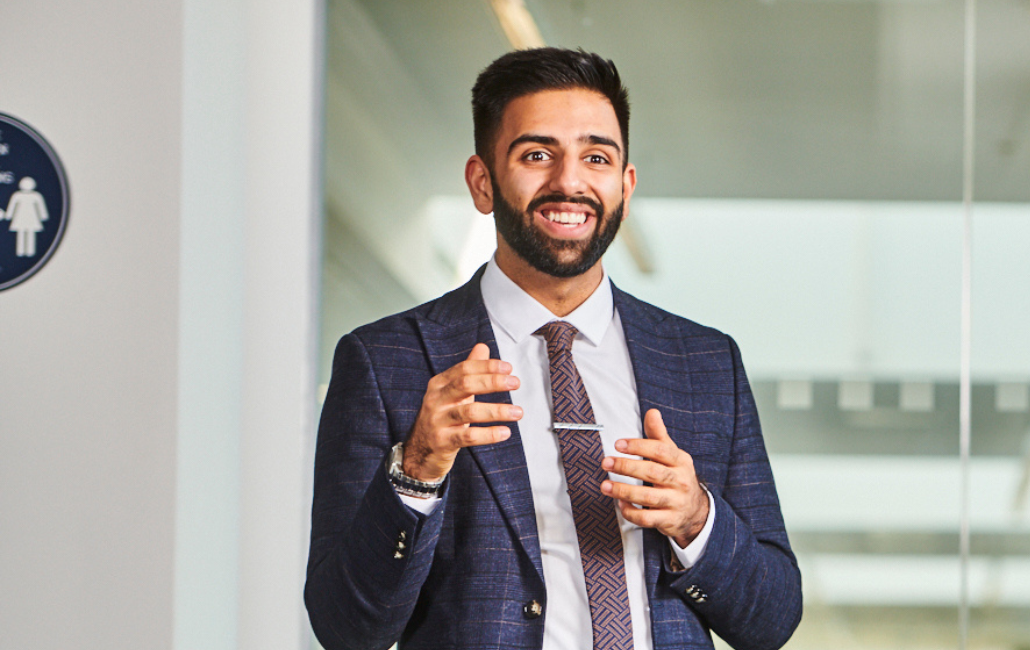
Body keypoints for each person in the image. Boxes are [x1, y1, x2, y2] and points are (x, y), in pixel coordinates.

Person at [305, 48, 801, 650]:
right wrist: (416, 472)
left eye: (596, 157)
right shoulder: (386, 360)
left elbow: (772, 618)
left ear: (625, 184)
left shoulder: (704, 362)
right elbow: (344, 628)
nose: (569, 181)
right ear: (483, 182)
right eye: (537, 155)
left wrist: (697, 519)